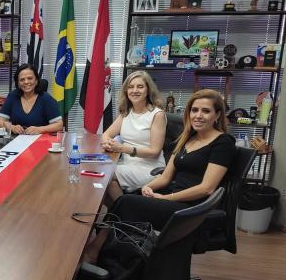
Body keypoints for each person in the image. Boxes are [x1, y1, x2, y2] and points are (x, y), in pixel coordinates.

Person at [83, 89, 236, 262]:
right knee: (126, 200)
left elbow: (206, 188)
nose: (198, 115)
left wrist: (166, 199)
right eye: (194, 110)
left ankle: (95, 252)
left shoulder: (223, 142)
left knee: (126, 204)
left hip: (192, 209)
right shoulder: (188, 138)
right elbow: (165, 177)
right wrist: (148, 187)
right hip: (173, 197)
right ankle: (120, 258)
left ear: (217, 115)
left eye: (206, 111)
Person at [101, 71, 167, 203]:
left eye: (140, 87)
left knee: (104, 175)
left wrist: (122, 148)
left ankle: (122, 215)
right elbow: (106, 134)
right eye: (131, 87)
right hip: (126, 165)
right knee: (109, 184)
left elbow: (154, 152)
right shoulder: (126, 112)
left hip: (150, 169)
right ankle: (123, 216)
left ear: (148, 90)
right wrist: (107, 142)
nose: (135, 90)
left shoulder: (157, 114)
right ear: (126, 91)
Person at [0, 63, 63, 135]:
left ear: (36, 81)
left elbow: (59, 125)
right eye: (22, 80)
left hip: (39, 141)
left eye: (30, 78)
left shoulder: (46, 98)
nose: (26, 82)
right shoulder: (12, 96)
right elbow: (0, 121)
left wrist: (40, 129)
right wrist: (12, 127)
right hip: (15, 141)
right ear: (18, 83)